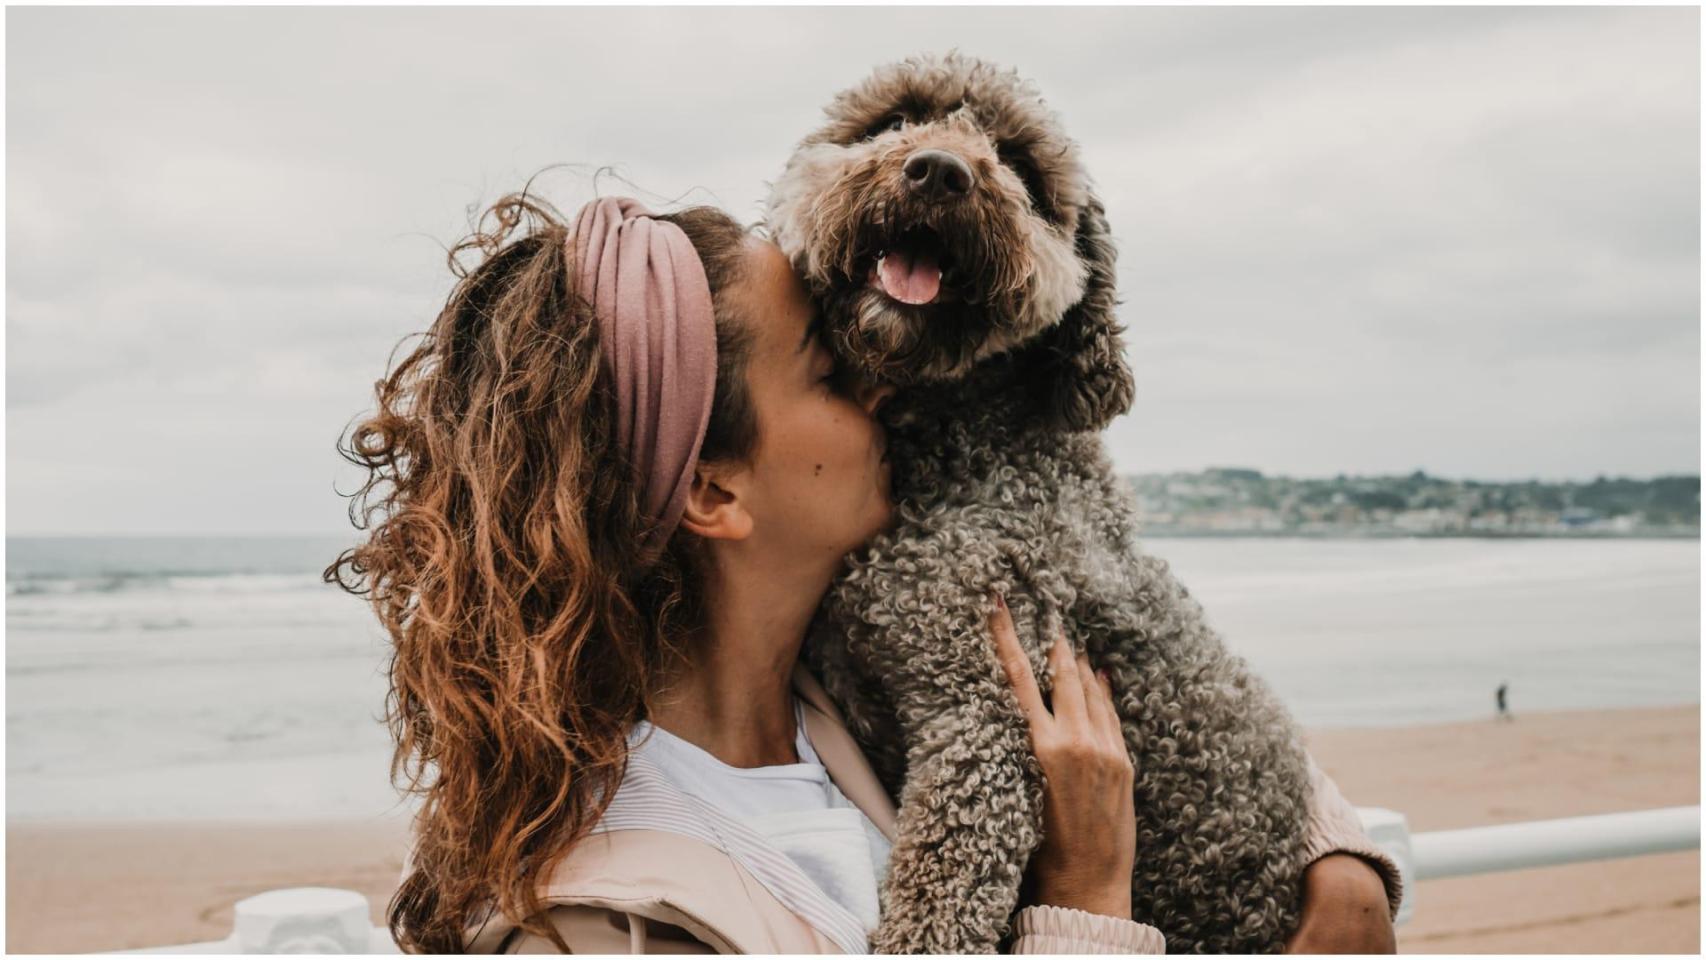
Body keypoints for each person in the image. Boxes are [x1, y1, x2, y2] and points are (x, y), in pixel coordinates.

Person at [328, 194, 1402, 954]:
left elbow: (1158, 669)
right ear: (714, 492)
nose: (889, 387)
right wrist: (1085, 899)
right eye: (833, 372)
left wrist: (1337, 860)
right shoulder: (599, 926)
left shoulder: (848, 679)